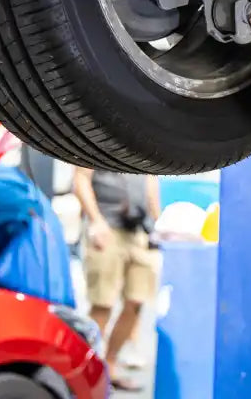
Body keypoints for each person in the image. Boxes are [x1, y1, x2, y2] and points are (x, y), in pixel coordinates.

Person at [73, 167, 161, 392]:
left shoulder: (144, 142)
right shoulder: (100, 136)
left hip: (139, 229)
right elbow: (81, 179)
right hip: (107, 226)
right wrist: (95, 221)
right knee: (103, 304)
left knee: (137, 301)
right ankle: (85, 370)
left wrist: (158, 222)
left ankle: (110, 364)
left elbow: (150, 180)